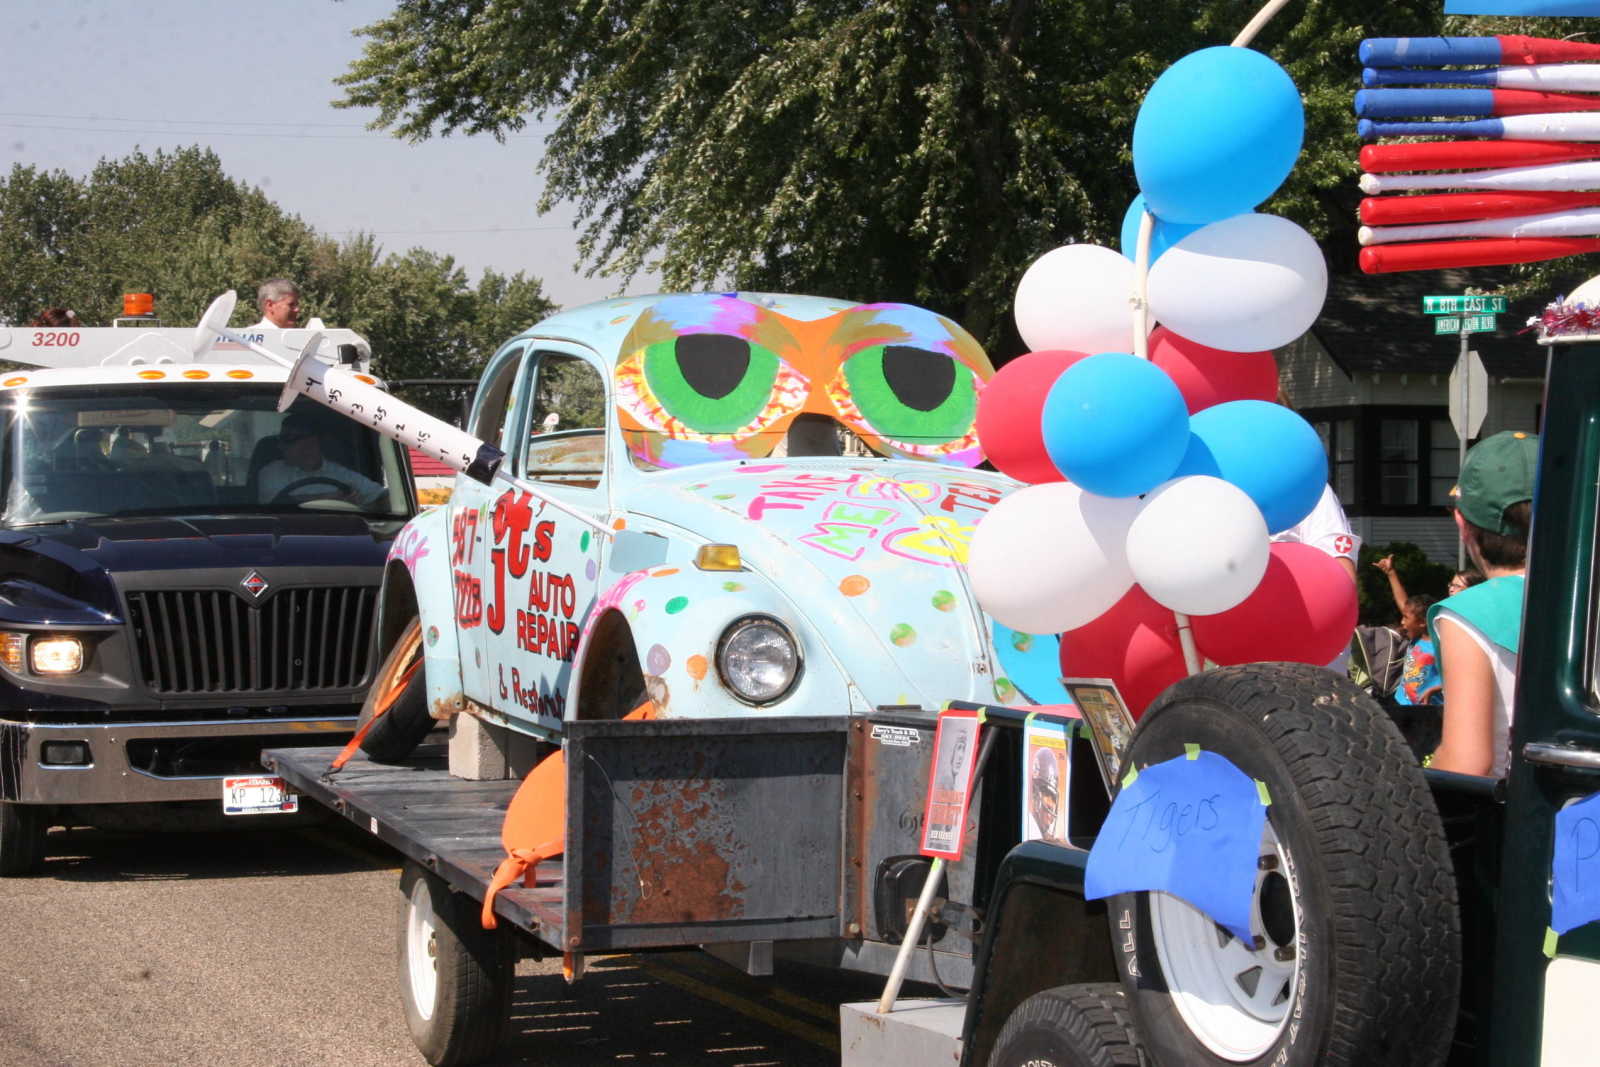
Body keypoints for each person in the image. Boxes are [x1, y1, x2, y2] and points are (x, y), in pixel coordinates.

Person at [1427, 431, 1537, 778]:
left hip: (1518, 805)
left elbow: (1468, 762)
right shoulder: (1586, 602)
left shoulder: (1469, 614)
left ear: (1462, 524)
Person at [1273, 483, 1360, 671]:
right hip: (1238, 652)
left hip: (1304, 656)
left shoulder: (1305, 487)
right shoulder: (1220, 491)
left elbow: (1340, 576)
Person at [256, 412, 386, 506]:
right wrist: (331, 499)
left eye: (287, 439)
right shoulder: (271, 472)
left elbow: (382, 497)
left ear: (311, 443)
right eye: (280, 439)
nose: (280, 446)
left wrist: (361, 504)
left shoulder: (342, 474)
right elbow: (276, 504)